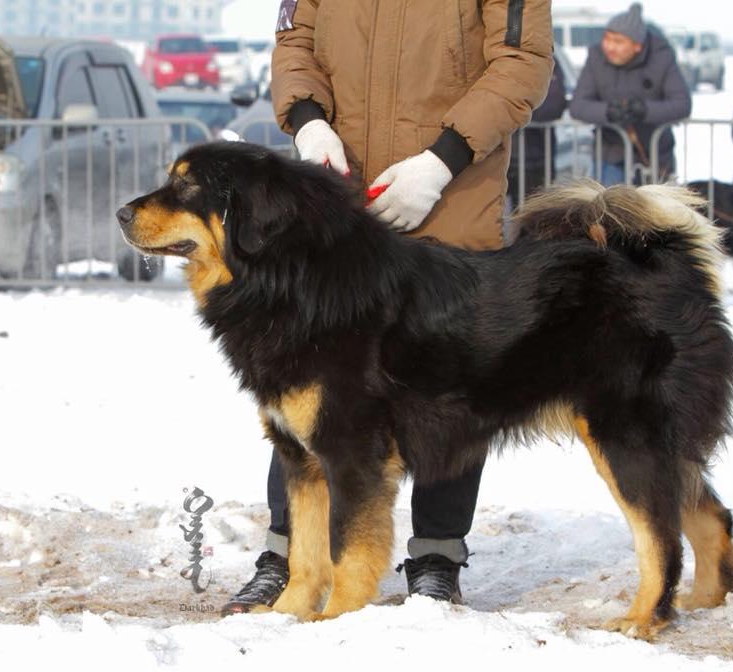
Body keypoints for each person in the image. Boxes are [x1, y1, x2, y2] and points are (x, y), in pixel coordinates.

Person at [221, 0, 554, 615]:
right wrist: (307, 120)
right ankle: (290, 552)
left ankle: (436, 556)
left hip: (451, 195)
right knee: (304, 381)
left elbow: (520, 65)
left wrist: (441, 161)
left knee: (449, 390)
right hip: (340, 197)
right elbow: (295, 43)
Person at [568, 3, 691, 185]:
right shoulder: (596, 57)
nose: (609, 47)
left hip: (654, 154)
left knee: (653, 212)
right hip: (610, 153)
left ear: (637, 46)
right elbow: (578, 105)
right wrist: (609, 111)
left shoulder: (662, 56)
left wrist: (644, 110)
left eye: (618, 42)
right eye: (607, 38)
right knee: (609, 210)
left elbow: (682, 104)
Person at [507, 58, 567, 207]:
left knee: (532, 219)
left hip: (534, 158)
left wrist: (511, 109)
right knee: (486, 221)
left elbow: (554, 105)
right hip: (489, 155)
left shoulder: (546, 57)